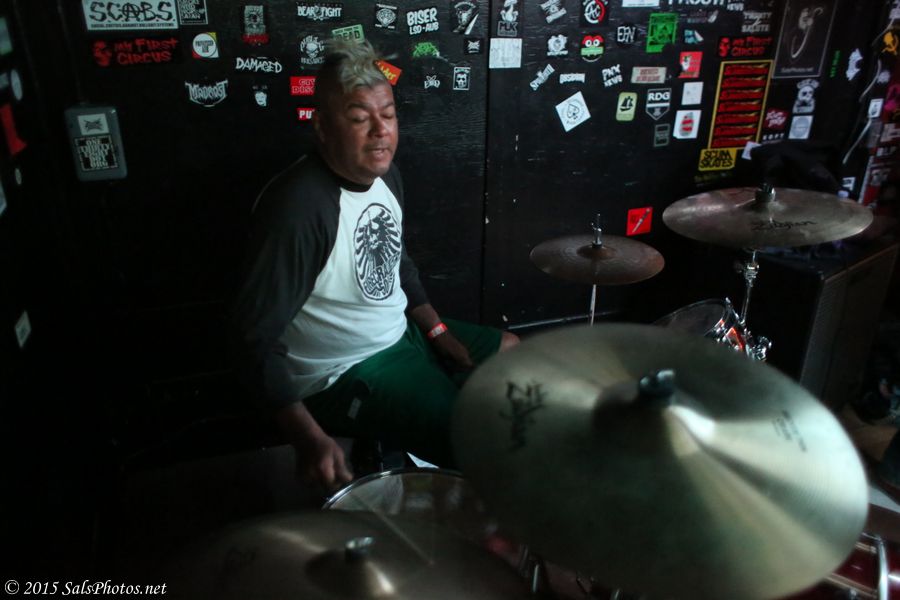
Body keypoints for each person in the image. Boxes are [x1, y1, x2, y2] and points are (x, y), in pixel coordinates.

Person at [229, 39, 518, 492]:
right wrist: (307, 437)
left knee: (512, 353)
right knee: (473, 433)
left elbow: (398, 263)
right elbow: (252, 338)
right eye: (360, 118)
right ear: (322, 127)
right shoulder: (300, 209)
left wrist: (437, 331)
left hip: (399, 335)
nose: (380, 131)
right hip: (344, 372)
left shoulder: (385, 175)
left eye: (388, 114)